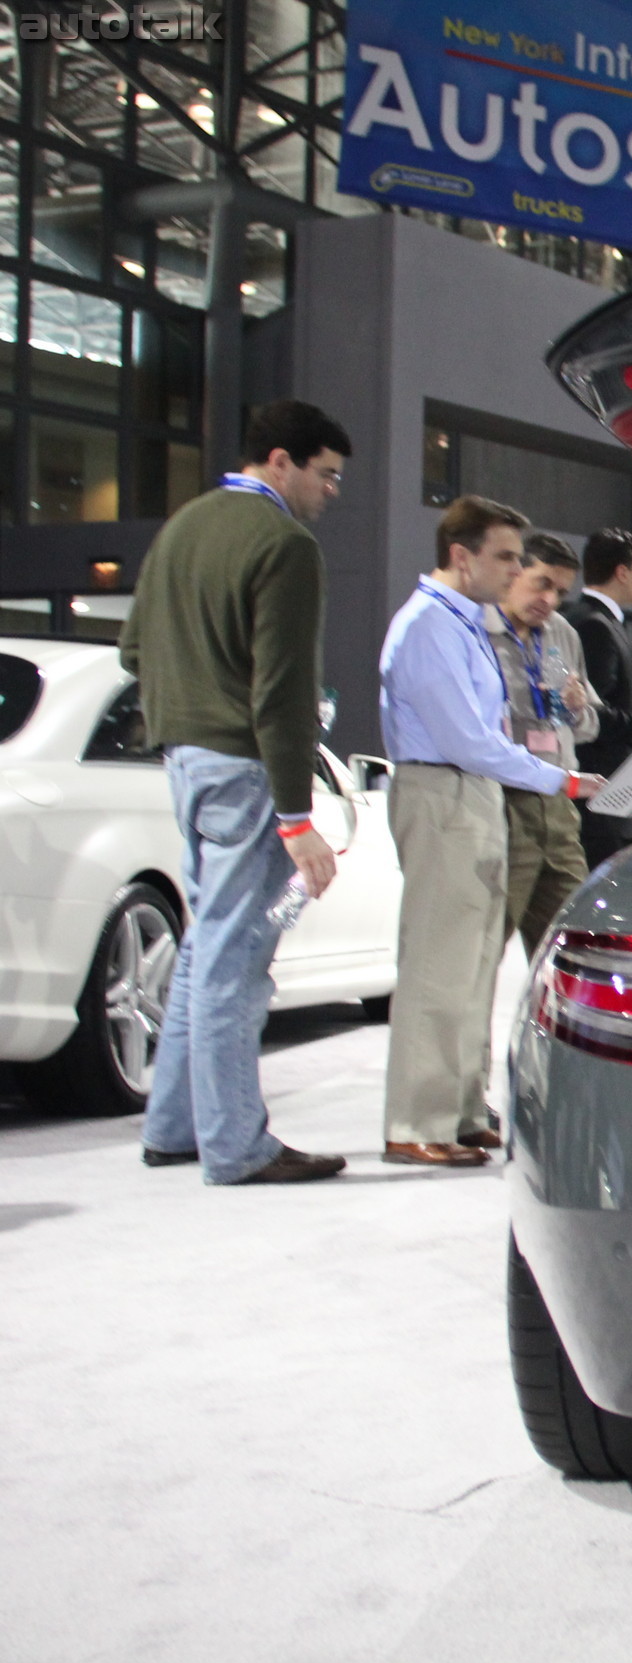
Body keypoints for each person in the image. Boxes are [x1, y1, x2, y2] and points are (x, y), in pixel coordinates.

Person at [117, 401, 354, 1185]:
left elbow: (130, 650)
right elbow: (282, 693)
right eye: (325, 476)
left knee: (205, 947)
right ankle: (236, 1145)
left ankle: (175, 1126)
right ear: (279, 461)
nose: (330, 493)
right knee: (235, 959)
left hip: (185, 761)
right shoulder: (283, 543)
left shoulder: (180, 527)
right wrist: (298, 816)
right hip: (246, 769)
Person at [378, 498, 604, 1166]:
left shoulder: (461, 624)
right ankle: (417, 1121)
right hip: (444, 787)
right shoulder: (427, 626)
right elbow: (468, 738)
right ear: (462, 555)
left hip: (474, 794)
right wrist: (556, 779)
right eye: (506, 556)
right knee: (438, 967)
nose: (514, 571)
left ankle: (462, 1110)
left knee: (476, 964)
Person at [489, 535, 598, 956]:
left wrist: (576, 708)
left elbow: (586, 726)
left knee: (575, 946)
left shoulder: (561, 634)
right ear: (515, 573)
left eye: (560, 592)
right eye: (542, 583)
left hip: (558, 805)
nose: (549, 599)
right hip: (502, 804)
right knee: (485, 943)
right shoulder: (480, 630)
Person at [564, 529, 632, 868]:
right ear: (622, 572)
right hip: (597, 797)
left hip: (592, 795)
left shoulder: (583, 620)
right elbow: (593, 717)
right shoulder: (595, 626)